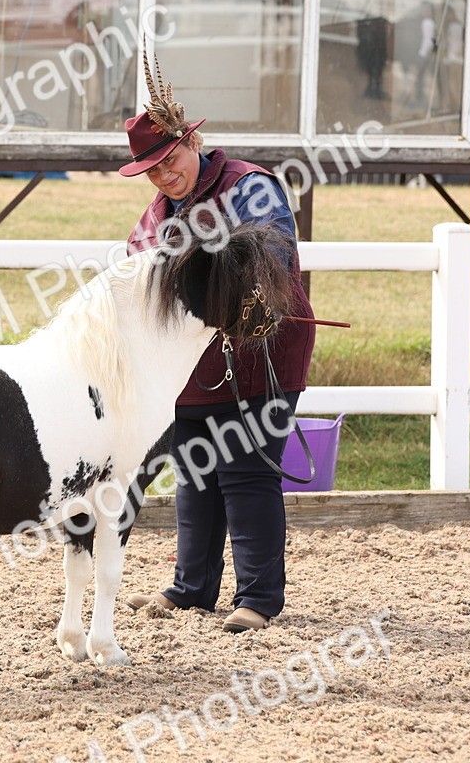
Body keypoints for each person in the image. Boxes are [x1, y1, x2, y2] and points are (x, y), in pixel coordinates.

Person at [117, 60, 315, 633]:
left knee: (246, 470)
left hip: (262, 352)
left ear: (193, 141)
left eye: (170, 161)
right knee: (195, 470)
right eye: (152, 171)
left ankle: (258, 597)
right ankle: (191, 588)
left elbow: (273, 259)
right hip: (191, 366)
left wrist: (220, 289)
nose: (164, 177)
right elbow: (136, 283)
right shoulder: (154, 216)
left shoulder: (250, 186)